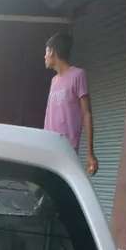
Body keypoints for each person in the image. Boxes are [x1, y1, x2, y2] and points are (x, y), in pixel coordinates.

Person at [44, 32, 98, 176]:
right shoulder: (54, 81)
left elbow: (87, 113)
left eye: (46, 52)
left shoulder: (78, 75)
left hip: (67, 147)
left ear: (52, 52)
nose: (44, 57)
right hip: (49, 144)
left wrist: (90, 153)